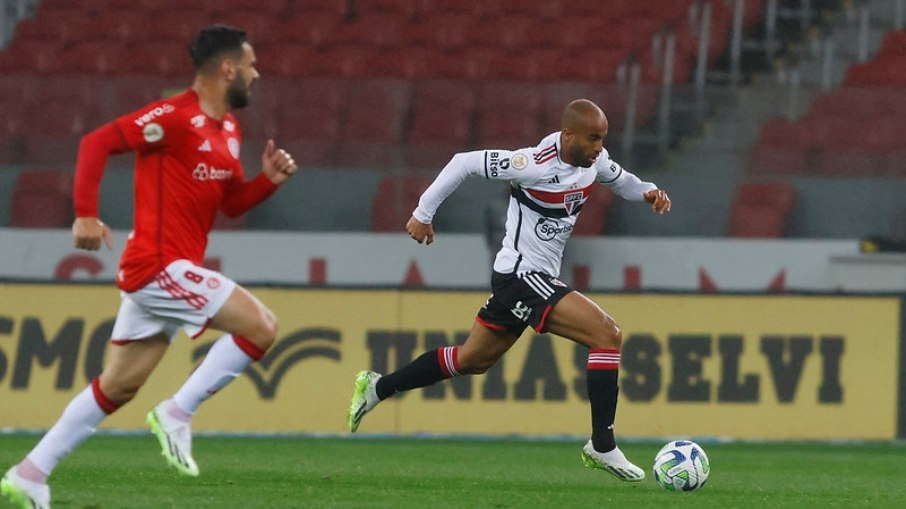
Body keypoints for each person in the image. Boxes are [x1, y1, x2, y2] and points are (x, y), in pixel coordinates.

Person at [1, 25, 298, 509]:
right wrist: (84, 213)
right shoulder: (174, 117)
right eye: (251, 65)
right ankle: (178, 411)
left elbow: (230, 205)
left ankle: (30, 472)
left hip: (167, 273)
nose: (257, 74)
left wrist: (267, 182)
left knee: (117, 386)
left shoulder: (227, 130)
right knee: (261, 328)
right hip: (158, 265)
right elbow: (96, 142)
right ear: (228, 69)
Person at [348, 99, 671, 482]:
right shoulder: (531, 164)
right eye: (594, 138)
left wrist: (649, 191)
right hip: (522, 275)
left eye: (603, 138)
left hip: (529, 279)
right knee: (607, 334)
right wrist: (423, 213)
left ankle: (378, 387)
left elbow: (622, 181)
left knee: (471, 360)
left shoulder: (593, 160)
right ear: (569, 135)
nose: (601, 146)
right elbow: (463, 162)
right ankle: (602, 445)